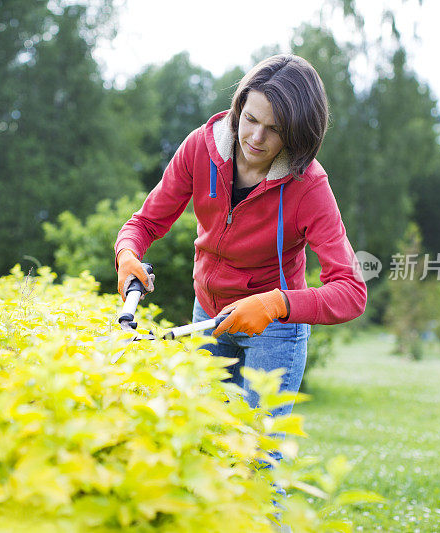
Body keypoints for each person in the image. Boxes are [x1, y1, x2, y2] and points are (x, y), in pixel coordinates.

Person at [114, 54, 366, 421]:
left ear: (298, 132)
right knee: (204, 442)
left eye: (275, 129)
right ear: (238, 108)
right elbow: (144, 224)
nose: (256, 137)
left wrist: (275, 305)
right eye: (250, 119)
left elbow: (351, 292)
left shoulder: (308, 186)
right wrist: (126, 254)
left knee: (257, 461)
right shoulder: (201, 148)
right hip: (207, 315)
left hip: (274, 330)